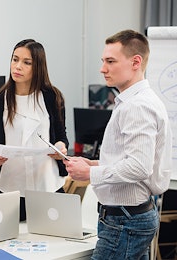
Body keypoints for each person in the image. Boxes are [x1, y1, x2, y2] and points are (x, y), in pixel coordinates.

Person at [64, 29, 172, 259]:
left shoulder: (137, 106)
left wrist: (91, 174)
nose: (103, 69)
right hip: (127, 218)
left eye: (111, 61)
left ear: (136, 62)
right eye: (103, 61)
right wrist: (93, 165)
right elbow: (130, 160)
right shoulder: (132, 101)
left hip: (125, 221)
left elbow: (139, 167)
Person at [0, 39, 69, 221]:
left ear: (38, 67)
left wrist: (60, 148)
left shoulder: (52, 97)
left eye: (26, 62)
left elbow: (62, 137)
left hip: (48, 185)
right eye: (15, 60)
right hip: (11, 188)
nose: (18, 66)